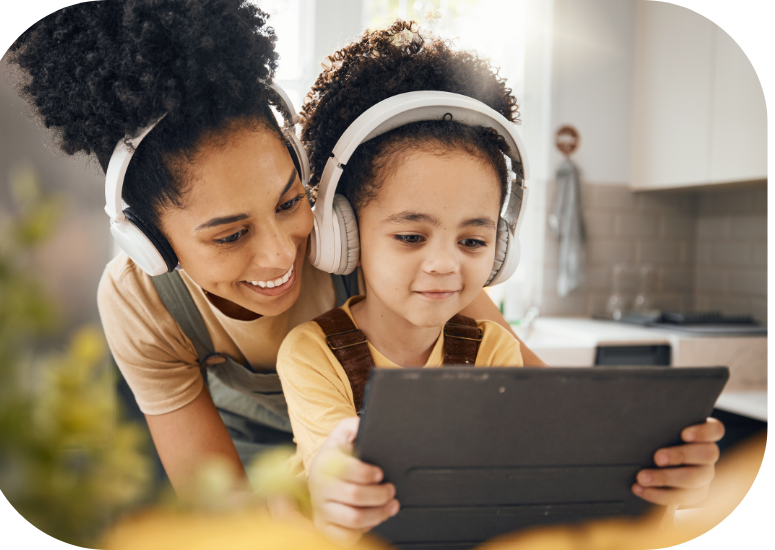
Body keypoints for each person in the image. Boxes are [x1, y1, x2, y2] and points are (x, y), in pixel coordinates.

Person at [5, 1, 544, 499]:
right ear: (149, 240)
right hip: (262, 475)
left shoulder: (369, 244)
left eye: (289, 202)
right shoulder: (141, 304)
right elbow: (220, 503)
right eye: (230, 235)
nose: (280, 255)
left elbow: (552, 402)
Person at [280, 21, 726, 545]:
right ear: (345, 236)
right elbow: (329, 477)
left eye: (472, 242)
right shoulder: (310, 352)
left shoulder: (491, 347)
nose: (445, 265)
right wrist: (336, 486)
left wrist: (657, 483)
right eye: (410, 236)